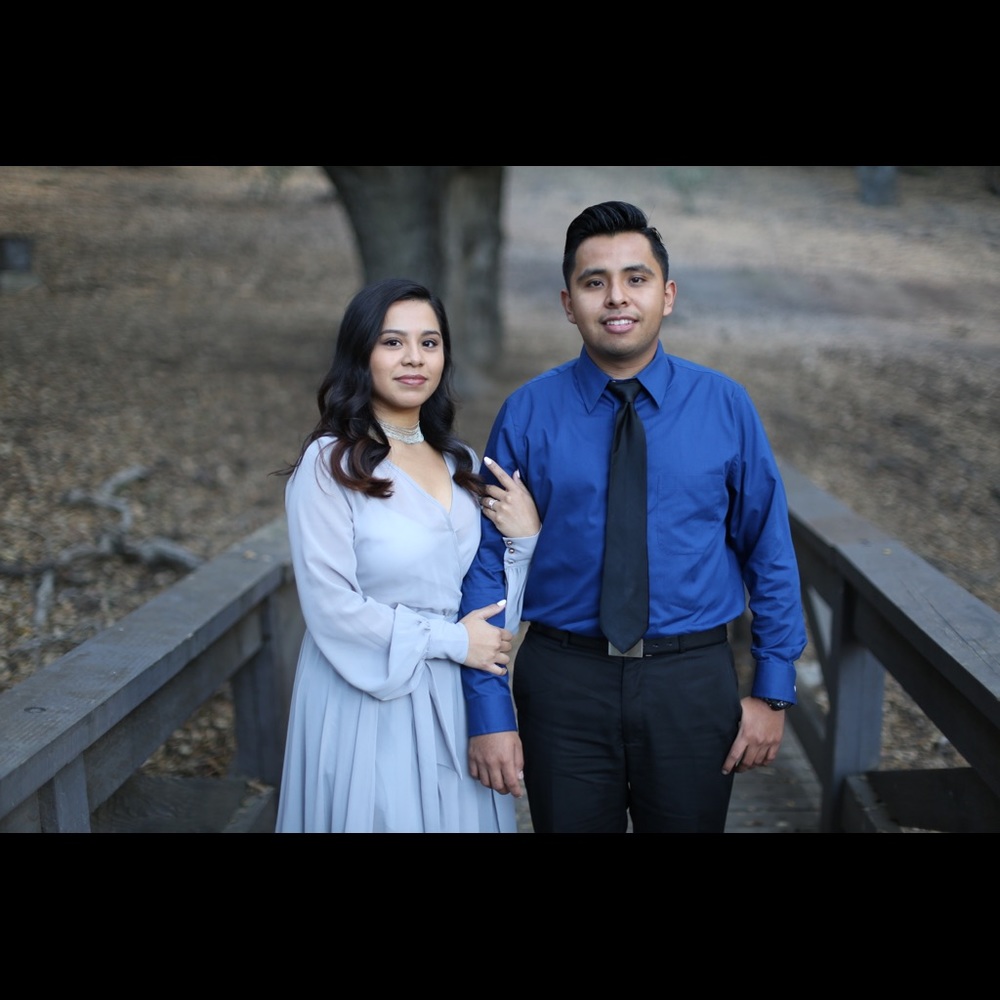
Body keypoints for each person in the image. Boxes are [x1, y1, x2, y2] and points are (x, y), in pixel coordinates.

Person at [460, 201, 807, 833]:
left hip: (692, 683)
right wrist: (490, 713)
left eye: (636, 279)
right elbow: (485, 567)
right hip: (563, 684)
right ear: (569, 302)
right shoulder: (528, 414)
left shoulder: (725, 406)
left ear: (667, 294)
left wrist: (772, 689)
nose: (616, 297)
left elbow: (770, 551)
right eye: (594, 282)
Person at [274, 277, 540, 833]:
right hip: (367, 692)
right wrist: (451, 641)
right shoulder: (330, 467)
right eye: (392, 342)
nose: (414, 358)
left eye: (430, 341)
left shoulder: (460, 463)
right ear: (360, 353)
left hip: (455, 691)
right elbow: (330, 607)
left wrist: (523, 539)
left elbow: (492, 612)